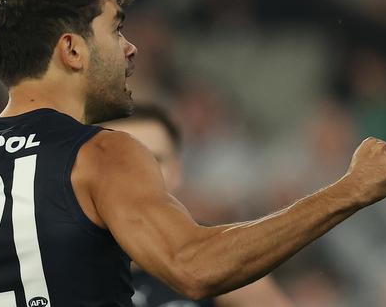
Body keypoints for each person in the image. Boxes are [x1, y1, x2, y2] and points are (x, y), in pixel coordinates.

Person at [0, 0, 386, 307]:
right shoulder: (100, 153)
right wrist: (348, 190)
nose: (130, 49)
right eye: (115, 29)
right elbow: (195, 266)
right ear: (72, 50)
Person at [103, 104, 293, 307]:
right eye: (120, 159)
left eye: (153, 159)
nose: (138, 172)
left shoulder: (219, 257)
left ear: (176, 171)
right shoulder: (67, 262)